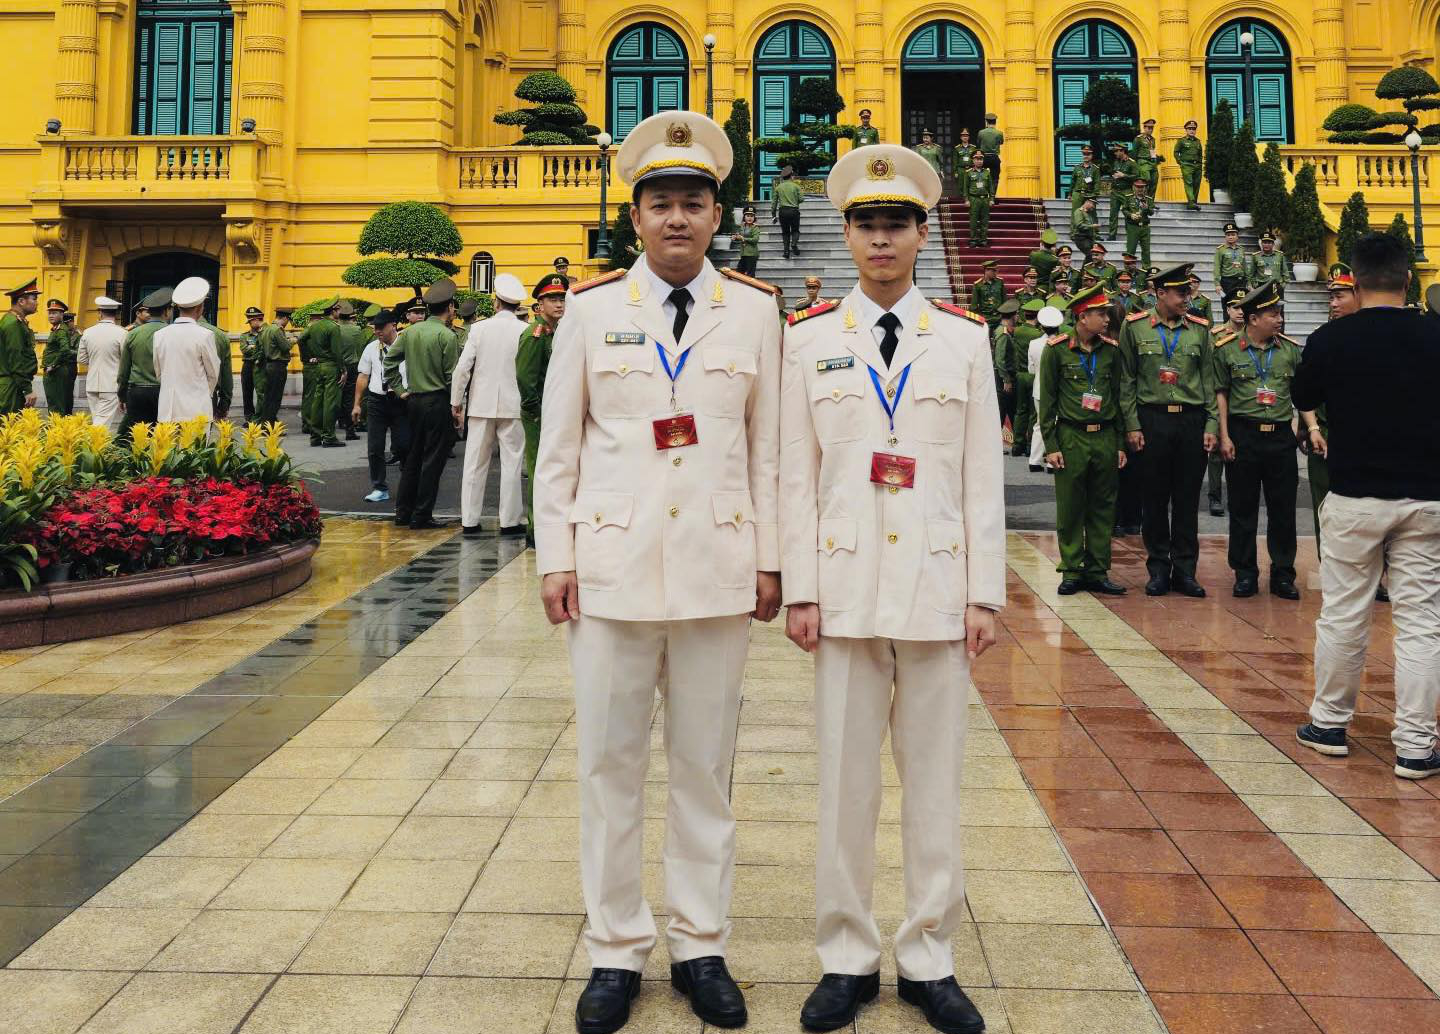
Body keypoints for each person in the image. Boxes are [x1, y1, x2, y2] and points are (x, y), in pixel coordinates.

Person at [535, 110, 781, 1034]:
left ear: (718, 215)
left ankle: (700, 945)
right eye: (660, 203)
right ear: (634, 217)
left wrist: (770, 560)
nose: (677, 218)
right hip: (611, 568)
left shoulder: (754, 310)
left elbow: (768, 450)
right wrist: (556, 556)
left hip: (718, 568)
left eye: (693, 203)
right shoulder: (593, 310)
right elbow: (558, 447)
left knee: (704, 768)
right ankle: (614, 949)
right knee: (610, 765)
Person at [778, 141, 999, 1034]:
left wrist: (986, 592)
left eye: (897, 223)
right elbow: (795, 476)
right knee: (845, 784)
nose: (881, 239)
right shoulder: (807, 340)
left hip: (939, 585)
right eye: (867, 224)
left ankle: (929, 956)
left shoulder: (966, 339)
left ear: (922, 233)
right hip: (842, 585)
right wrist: (800, 587)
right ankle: (846, 955)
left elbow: (981, 476)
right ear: (846, 234)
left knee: (935, 781)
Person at [1292, 232, 1440, 778]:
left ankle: (1329, 724)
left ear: (1353, 281)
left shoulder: (1332, 339)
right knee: (1421, 622)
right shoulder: (1436, 333)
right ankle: (1416, 746)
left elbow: (1303, 397)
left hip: (1355, 495)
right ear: (1408, 279)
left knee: (1343, 614)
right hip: (1427, 496)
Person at [1119, 262, 1216, 597]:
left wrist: (1211, 424)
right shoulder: (1134, 327)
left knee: (1187, 500)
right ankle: (1159, 569)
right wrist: (1132, 424)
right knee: (1154, 499)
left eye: (1188, 292)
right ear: (1160, 293)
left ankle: (1186, 571)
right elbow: (1127, 380)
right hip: (1152, 420)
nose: (1187, 298)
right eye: (1180, 293)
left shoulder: (1200, 329)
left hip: (1190, 421)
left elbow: (1208, 381)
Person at [1039, 284, 1131, 594]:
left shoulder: (1111, 351)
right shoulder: (1056, 350)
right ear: (1082, 317)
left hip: (1104, 435)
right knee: (1071, 506)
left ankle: (1097, 569)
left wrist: (1119, 443)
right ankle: (1071, 569)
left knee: (1103, 506)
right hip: (1071, 436)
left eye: (1106, 314)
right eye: (1100, 314)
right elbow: (1047, 401)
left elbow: (1118, 398)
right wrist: (1051, 446)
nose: (1107, 319)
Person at [1212, 280, 1301, 598]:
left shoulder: (1290, 350)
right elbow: (1221, 394)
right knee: (1242, 508)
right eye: (1272, 314)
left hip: (1280, 436)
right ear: (1253, 319)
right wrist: (1224, 435)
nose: (1279, 319)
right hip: (1243, 435)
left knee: (1283, 508)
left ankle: (1283, 574)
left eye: (1279, 313)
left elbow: (1300, 394)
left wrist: (1304, 428)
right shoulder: (1226, 349)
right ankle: (1245, 572)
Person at [452, 272, 527, 538]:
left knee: (474, 463)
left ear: (496, 303)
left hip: (480, 405)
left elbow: (463, 368)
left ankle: (470, 520)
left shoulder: (479, 329)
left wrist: (456, 401)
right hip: (513, 404)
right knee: (512, 464)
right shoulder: (525, 330)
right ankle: (509, 521)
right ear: (517, 306)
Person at [385, 278, 459, 529]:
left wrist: (400, 390)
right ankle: (422, 514)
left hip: (413, 400)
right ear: (449, 307)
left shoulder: (411, 332)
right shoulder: (446, 335)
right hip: (437, 401)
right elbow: (451, 376)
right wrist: (457, 406)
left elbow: (389, 362)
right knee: (432, 460)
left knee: (413, 458)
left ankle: (403, 512)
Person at [516, 272, 567, 544]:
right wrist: (535, 412)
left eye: (561, 299)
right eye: (552, 299)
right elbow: (526, 379)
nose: (559, 304)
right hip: (539, 413)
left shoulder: (555, 332)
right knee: (539, 470)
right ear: (539, 304)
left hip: (553, 411)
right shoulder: (534, 335)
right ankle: (535, 529)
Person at [352, 307, 408, 502]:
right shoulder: (371, 348)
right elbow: (363, 376)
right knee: (375, 446)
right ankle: (379, 487)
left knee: (403, 445)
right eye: (375, 327)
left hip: (401, 401)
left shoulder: (406, 346)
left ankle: (408, 485)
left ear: (393, 325)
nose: (377, 331)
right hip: (377, 400)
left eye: (381, 327)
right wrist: (357, 404)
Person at [154, 277, 221, 423]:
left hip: (168, 408)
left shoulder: (160, 335)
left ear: (178, 307)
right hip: (196, 409)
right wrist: (202, 393)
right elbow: (213, 373)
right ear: (200, 307)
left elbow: (158, 372)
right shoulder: (205, 335)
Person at [1205, 292, 1245, 517]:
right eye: (1235, 307)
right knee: (1216, 450)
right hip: (1219, 394)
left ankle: (1236, 496)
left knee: (1240, 449)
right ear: (1227, 310)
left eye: (1243, 307)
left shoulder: (1253, 333)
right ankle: (1214, 496)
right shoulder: (1215, 335)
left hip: (1242, 397)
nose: (1240, 311)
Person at [117, 287, 170, 437]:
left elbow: (124, 370)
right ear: (167, 311)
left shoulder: (133, 334)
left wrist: (122, 395)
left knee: (139, 436)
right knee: (163, 436)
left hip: (137, 392)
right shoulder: (172, 333)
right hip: (164, 391)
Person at [78, 296, 125, 431]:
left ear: (99, 313)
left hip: (92, 383)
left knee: (98, 419)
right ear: (116, 314)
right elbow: (125, 359)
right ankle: (89, 441)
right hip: (111, 384)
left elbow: (81, 359)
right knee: (102, 423)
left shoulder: (88, 332)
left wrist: (94, 362)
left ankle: (97, 443)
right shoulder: (122, 333)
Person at [305, 298, 345, 447]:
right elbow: (337, 352)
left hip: (318, 366)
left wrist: (309, 356)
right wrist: (343, 370)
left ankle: (315, 436)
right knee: (330, 402)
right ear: (333, 311)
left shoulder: (314, 326)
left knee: (317, 401)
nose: (340, 312)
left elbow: (301, 339)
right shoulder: (333, 327)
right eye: (338, 309)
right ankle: (329, 436)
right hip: (331, 366)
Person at [1011, 299, 1045, 455]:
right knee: (1033, 413)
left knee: (1020, 411)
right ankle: (1030, 444)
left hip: (1020, 375)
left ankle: (1017, 444)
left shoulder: (1017, 331)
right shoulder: (1039, 334)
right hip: (1033, 375)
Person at [1, 280, 40, 414]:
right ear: (21, 301)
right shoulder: (13, 324)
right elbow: (16, 358)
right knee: (10, 425)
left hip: (14, 383)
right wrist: (27, 389)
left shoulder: (16, 321)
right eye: (34, 299)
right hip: (12, 385)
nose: (37, 303)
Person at [256, 308, 293, 426]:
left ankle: (265, 424)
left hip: (269, 365)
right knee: (275, 398)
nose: (287, 323)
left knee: (268, 397)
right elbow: (285, 347)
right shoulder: (277, 330)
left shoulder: (266, 329)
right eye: (288, 320)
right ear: (284, 318)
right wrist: (293, 340)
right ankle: (270, 426)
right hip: (278, 366)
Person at [40, 299, 78, 415]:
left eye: (54, 313)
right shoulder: (57, 329)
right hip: (56, 371)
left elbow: (65, 350)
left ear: (62, 315)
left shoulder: (60, 330)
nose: (51, 315)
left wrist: (53, 365)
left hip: (56, 372)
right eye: (49, 313)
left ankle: (57, 426)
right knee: (58, 403)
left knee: (56, 406)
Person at [336, 302, 368, 440]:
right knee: (349, 397)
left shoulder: (335, 328)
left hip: (337, 366)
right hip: (352, 365)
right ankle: (350, 429)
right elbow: (360, 347)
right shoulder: (356, 329)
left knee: (336, 396)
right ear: (350, 316)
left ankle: (340, 421)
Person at [196, 307, 233, 421]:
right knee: (205, 431)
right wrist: (224, 403)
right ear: (202, 309)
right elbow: (226, 374)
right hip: (209, 395)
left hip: (178, 398)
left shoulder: (168, 333)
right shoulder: (220, 335)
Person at [992, 297, 1019, 429]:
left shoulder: (999, 330)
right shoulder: (1003, 334)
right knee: (1004, 411)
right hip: (1004, 378)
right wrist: (1006, 380)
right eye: (1017, 314)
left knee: (1007, 410)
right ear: (1012, 316)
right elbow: (1000, 359)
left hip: (1002, 377)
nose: (1018, 317)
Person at [1107, 141, 1139, 240]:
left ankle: (1131, 235)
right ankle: (1112, 235)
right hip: (1115, 191)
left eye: (1116, 151)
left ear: (1122, 151)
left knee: (1128, 214)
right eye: (1115, 151)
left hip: (1126, 191)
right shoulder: (1116, 162)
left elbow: (1136, 176)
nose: (1115, 153)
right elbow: (1114, 172)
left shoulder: (1131, 163)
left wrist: (1124, 175)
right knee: (1113, 214)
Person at [772, 163, 804, 258]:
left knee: (785, 232)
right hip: (794, 211)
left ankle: (786, 252)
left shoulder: (778, 187)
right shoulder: (796, 186)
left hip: (783, 212)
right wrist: (795, 201)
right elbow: (801, 199)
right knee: (795, 230)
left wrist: (773, 215)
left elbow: (774, 203)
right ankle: (794, 244)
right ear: (791, 176)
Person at [239, 306, 265, 421]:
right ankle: (249, 418)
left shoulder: (265, 334)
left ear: (259, 319)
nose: (251, 323)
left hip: (260, 365)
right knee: (247, 393)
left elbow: (265, 349)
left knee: (262, 392)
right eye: (249, 321)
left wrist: (252, 347)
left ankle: (261, 417)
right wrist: (257, 348)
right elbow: (244, 350)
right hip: (248, 365)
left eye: (253, 320)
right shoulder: (244, 335)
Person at [962, 150, 992, 246]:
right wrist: (966, 200)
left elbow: (991, 187)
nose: (979, 161)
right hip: (974, 199)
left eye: (981, 159)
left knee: (984, 221)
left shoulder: (987, 172)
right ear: (973, 160)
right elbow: (965, 187)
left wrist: (991, 199)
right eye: (977, 159)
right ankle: (973, 240)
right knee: (973, 221)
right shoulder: (968, 172)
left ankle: (983, 240)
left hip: (985, 199)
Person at [1123, 179, 1155, 271]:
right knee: (1131, 249)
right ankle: (1128, 269)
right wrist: (1131, 215)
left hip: (1145, 227)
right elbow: (1124, 209)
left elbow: (1151, 212)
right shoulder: (1129, 198)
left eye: (1142, 187)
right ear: (1133, 187)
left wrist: (1147, 208)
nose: (1140, 189)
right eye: (1138, 187)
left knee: (1146, 249)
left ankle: (1146, 269)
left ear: (1145, 188)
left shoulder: (1148, 199)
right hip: (1133, 227)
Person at [1248, 233, 1291, 297]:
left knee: (1278, 303)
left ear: (1273, 244)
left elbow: (1285, 272)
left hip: (1276, 286)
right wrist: (1251, 285)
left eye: (1269, 243)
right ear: (1261, 244)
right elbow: (1250, 274)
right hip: (1261, 286)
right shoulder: (1256, 256)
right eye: (1264, 243)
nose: (1266, 245)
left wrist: (1282, 285)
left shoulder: (1279, 255)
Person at [1175, 119, 1204, 210]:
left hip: (1197, 166)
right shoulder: (1182, 141)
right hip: (1187, 165)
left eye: (1194, 129)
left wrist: (1200, 164)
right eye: (1190, 129)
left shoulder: (1198, 141)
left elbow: (1200, 154)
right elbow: (1176, 152)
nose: (1192, 131)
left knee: (1196, 184)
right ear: (1186, 130)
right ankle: (1191, 201)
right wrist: (1180, 162)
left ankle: (1193, 202)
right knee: (1189, 183)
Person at [1214, 223, 1247, 300]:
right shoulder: (1220, 250)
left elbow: (1245, 266)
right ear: (1225, 237)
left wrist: (1248, 282)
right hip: (1227, 281)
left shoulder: (1241, 249)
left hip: (1240, 281)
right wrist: (1217, 284)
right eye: (1228, 235)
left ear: (1237, 236)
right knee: (1227, 303)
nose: (1230, 237)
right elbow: (1217, 267)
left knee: (1240, 303)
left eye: (1233, 235)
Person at [1069, 144, 1101, 216]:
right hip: (1077, 194)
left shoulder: (1095, 169)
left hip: (1089, 194)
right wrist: (1070, 193)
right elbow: (1073, 181)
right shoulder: (1077, 168)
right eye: (1084, 154)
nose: (1086, 156)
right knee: (1076, 214)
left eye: (1088, 154)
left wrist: (1094, 196)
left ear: (1092, 155)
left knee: (1091, 215)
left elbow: (1097, 183)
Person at [1133, 117, 1162, 195]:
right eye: (1149, 128)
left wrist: (1158, 158)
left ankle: (1150, 200)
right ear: (1144, 128)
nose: (1150, 130)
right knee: (1146, 180)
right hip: (1143, 162)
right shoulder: (1139, 139)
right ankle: (1143, 198)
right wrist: (1135, 165)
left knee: (1154, 181)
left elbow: (1151, 151)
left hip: (1152, 162)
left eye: (1152, 128)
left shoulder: (1153, 139)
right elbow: (1134, 152)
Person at [977, 112, 1003, 196]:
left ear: (986, 121)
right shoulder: (999, 133)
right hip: (994, 157)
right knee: (995, 178)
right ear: (995, 122)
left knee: (980, 176)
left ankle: (982, 194)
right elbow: (1001, 142)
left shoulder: (981, 132)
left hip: (984, 157)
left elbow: (978, 143)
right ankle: (992, 196)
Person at [732, 207, 761, 276]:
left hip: (751, 254)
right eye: (747, 216)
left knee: (750, 275)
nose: (749, 218)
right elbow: (740, 236)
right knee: (739, 273)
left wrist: (743, 238)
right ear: (744, 217)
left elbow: (755, 240)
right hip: (743, 253)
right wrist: (736, 237)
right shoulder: (742, 226)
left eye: (752, 216)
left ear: (754, 217)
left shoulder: (755, 227)